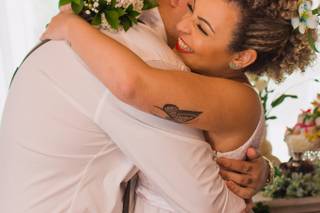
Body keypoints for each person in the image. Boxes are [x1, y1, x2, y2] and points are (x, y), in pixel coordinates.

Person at [42, 0, 317, 211]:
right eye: (191, 9)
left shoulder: (238, 99)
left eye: (201, 27)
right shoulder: (209, 81)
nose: (184, 25)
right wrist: (265, 170)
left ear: (242, 57)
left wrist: (71, 27)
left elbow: (133, 85)